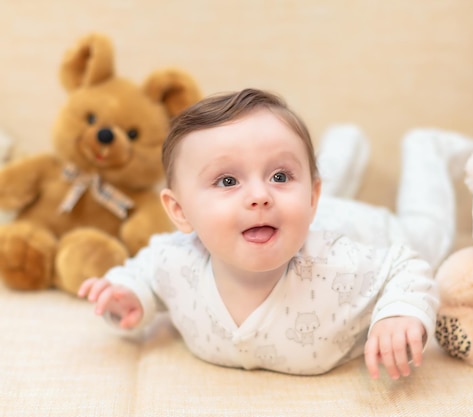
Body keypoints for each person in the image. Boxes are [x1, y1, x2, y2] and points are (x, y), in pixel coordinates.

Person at [78, 88, 439, 380]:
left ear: (313, 196)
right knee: (295, 191)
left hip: (358, 225)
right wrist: (130, 296)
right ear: (180, 211)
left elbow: (406, 265)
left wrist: (398, 313)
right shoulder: (177, 259)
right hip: (299, 212)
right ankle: (341, 147)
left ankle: (427, 149)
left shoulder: (339, 264)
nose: (259, 196)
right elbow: (142, 272)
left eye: (279, 176)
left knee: (428, 237)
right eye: (228, 180)